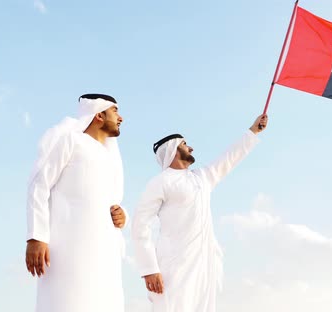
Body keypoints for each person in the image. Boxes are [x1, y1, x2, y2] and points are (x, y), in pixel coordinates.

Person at [131, 114, 268, 312]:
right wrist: (149, 269)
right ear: (172, 150)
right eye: (185, 144)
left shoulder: (201, 177)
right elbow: (140, 225)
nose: (191, 148)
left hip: (203, 265)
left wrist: (253, 131)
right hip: (173, 266)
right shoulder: (160, 182)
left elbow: (229, 159)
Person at [25, 93, 127, 312]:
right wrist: (36, 237)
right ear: (99, 115)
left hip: (104, 252)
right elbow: (39, 184)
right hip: (69, 250)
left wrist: (122, 214)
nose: (121, 118)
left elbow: (110, 200)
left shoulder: (110, 158)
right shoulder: (71, 141)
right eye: (115, 111)